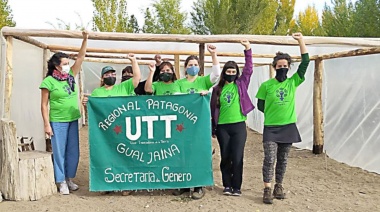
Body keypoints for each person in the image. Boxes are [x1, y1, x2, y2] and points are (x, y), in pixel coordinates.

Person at [255, 32, 310, 204]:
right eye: (279, 66)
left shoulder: (293, 82)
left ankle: (279, 185)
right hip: (271, 128)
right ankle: (267, 188)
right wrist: (273, 113)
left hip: (288, 127)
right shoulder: (266, 85)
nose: (282, 68)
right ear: (274, 67)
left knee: (283, 159)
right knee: (269, 158)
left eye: (285, 65)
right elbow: (260, 106)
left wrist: (301, 41)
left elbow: (305, 63)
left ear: (288, 67)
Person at [40, 30, 88, 195]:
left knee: (73, 150)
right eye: (65, 63)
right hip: (57, 120)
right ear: (56, 65)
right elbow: (44, 105)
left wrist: (85, 39)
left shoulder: (71, 76)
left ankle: (69, 178)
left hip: (73, 118)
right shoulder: (48, 81)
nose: (67, 65)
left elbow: (81, 57)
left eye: (68, 62)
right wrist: (47, 124)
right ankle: (60, 181)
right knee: (59, 151)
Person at [85, 54, 141, 196]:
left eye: (113, 73)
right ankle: (107, 183)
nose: (111, 75)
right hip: (106, 131)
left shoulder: (123, 87)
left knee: (126, 156)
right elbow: (94, 110)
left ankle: (127, 184)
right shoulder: (97, 92)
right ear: (102, 77)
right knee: (107, 156)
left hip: (123, 129)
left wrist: (133, 61)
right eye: (108, 74)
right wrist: (87, 103)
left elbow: (137, 79)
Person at [173, 44, 220, 200]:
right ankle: (185, 185)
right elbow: (176, 97)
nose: (192, 67)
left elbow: (216, 75)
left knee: (199, 153)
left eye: (195, 65)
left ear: (199, 67)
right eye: (190, 65)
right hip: (183, 126)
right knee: (183, 153)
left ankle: (199, 186)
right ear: (185, 68)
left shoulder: (203, 81)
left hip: (200, 125)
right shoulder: (179, 83)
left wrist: (213, 55)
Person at [210, 40, 254, 197]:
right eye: (228, 72)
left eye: (233, 71)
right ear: (224, 73)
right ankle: (227, 185)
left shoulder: (241, 84)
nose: (230, 74)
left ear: (236, 72)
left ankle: (237, 186)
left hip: (238, 126)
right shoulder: (217, 89)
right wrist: (213, 128)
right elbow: (211, 109)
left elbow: (248, 70)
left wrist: (247, 49)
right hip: (223, 127)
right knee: (225, 156)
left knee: (237, 156)